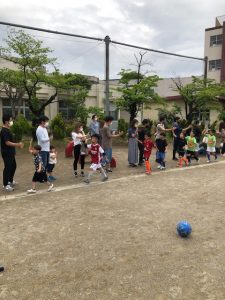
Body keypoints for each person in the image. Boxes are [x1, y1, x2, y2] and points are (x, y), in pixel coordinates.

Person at [0, 114, 24, 192]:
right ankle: (5, 184)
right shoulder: (4, 130)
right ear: (6, 121)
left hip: (10, 152)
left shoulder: (7, 129)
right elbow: (7, 143)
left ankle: (10, 181)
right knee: (8, 168)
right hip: (6, 152)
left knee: (13, 166)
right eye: (10, 120)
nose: (11, 122)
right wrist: (18, 144)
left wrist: (18, 144)